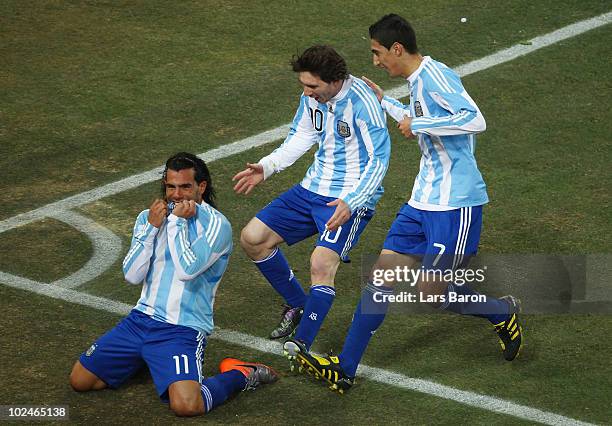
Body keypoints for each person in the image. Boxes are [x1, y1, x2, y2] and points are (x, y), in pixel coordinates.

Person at [290, 14, 523, 393]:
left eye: (378, 53)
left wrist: (420, 126)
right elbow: (421, 119)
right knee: (379, 279)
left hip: (454, 204)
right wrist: (390, 106)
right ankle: (345, 369)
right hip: (421, 200)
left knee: (432, 295)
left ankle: (501, 312)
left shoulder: (436, 76)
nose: (376, 61)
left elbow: (475, 119)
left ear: (397, 48)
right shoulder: (417, 82)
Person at [69, 152, 278, 416]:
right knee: (82, 381)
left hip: (182, 329)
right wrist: (150, 229)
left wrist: (176, 223)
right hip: (139, 322)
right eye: (171, 187)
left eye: (185, 187)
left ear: (201, 187)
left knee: (187, 406)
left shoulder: (216, 225)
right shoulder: (149, 218)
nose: (176, 195)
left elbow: (187, 270)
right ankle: (149, 359)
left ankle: (241, 374)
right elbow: (131, 276)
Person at [233, 45, 391, 358]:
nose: (306, 93)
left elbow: (379, 161)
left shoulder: (363, 105)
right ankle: (299, 305)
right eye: (304, 85)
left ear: (334, 81)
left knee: (320, 263)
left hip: (347, 198)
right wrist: (267, 167)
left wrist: (353, 201)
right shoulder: (313, 98)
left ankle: (301, 344)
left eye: (312, 86)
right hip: (311, 188)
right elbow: (301, 136)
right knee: (253, 239)